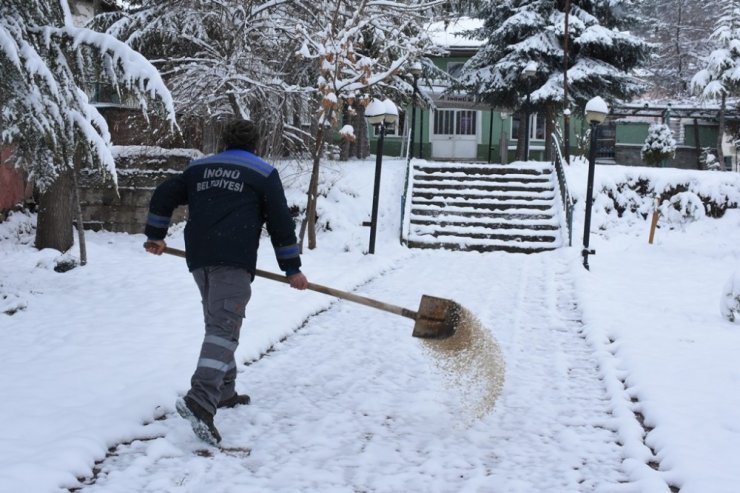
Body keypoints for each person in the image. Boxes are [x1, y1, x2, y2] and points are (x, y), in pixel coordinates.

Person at [144, 119, 308, 446]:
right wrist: (292, 268)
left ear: (224, 142)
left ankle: (223, 390)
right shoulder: (262, 173)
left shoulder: (199, 168)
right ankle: (201, 399)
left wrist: (156, 234)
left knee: (219, 322)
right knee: (223, 327)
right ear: (256, 145)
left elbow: (164, 193)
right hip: (232, 259)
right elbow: (280, 222)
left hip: (199, 258)